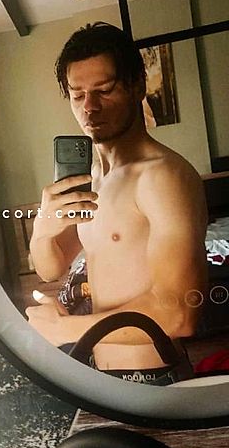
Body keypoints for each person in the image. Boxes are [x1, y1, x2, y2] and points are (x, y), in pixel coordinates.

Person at [27, 22, 208, 384]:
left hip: (154, 378)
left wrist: (64, 330)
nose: (89, 107)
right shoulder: (91, 178)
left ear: (137, 86)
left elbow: (181, 314)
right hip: (101, 374)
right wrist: (42, 231)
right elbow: (50, 269)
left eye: (104, 90)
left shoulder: (162, 176)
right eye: (77, 95)